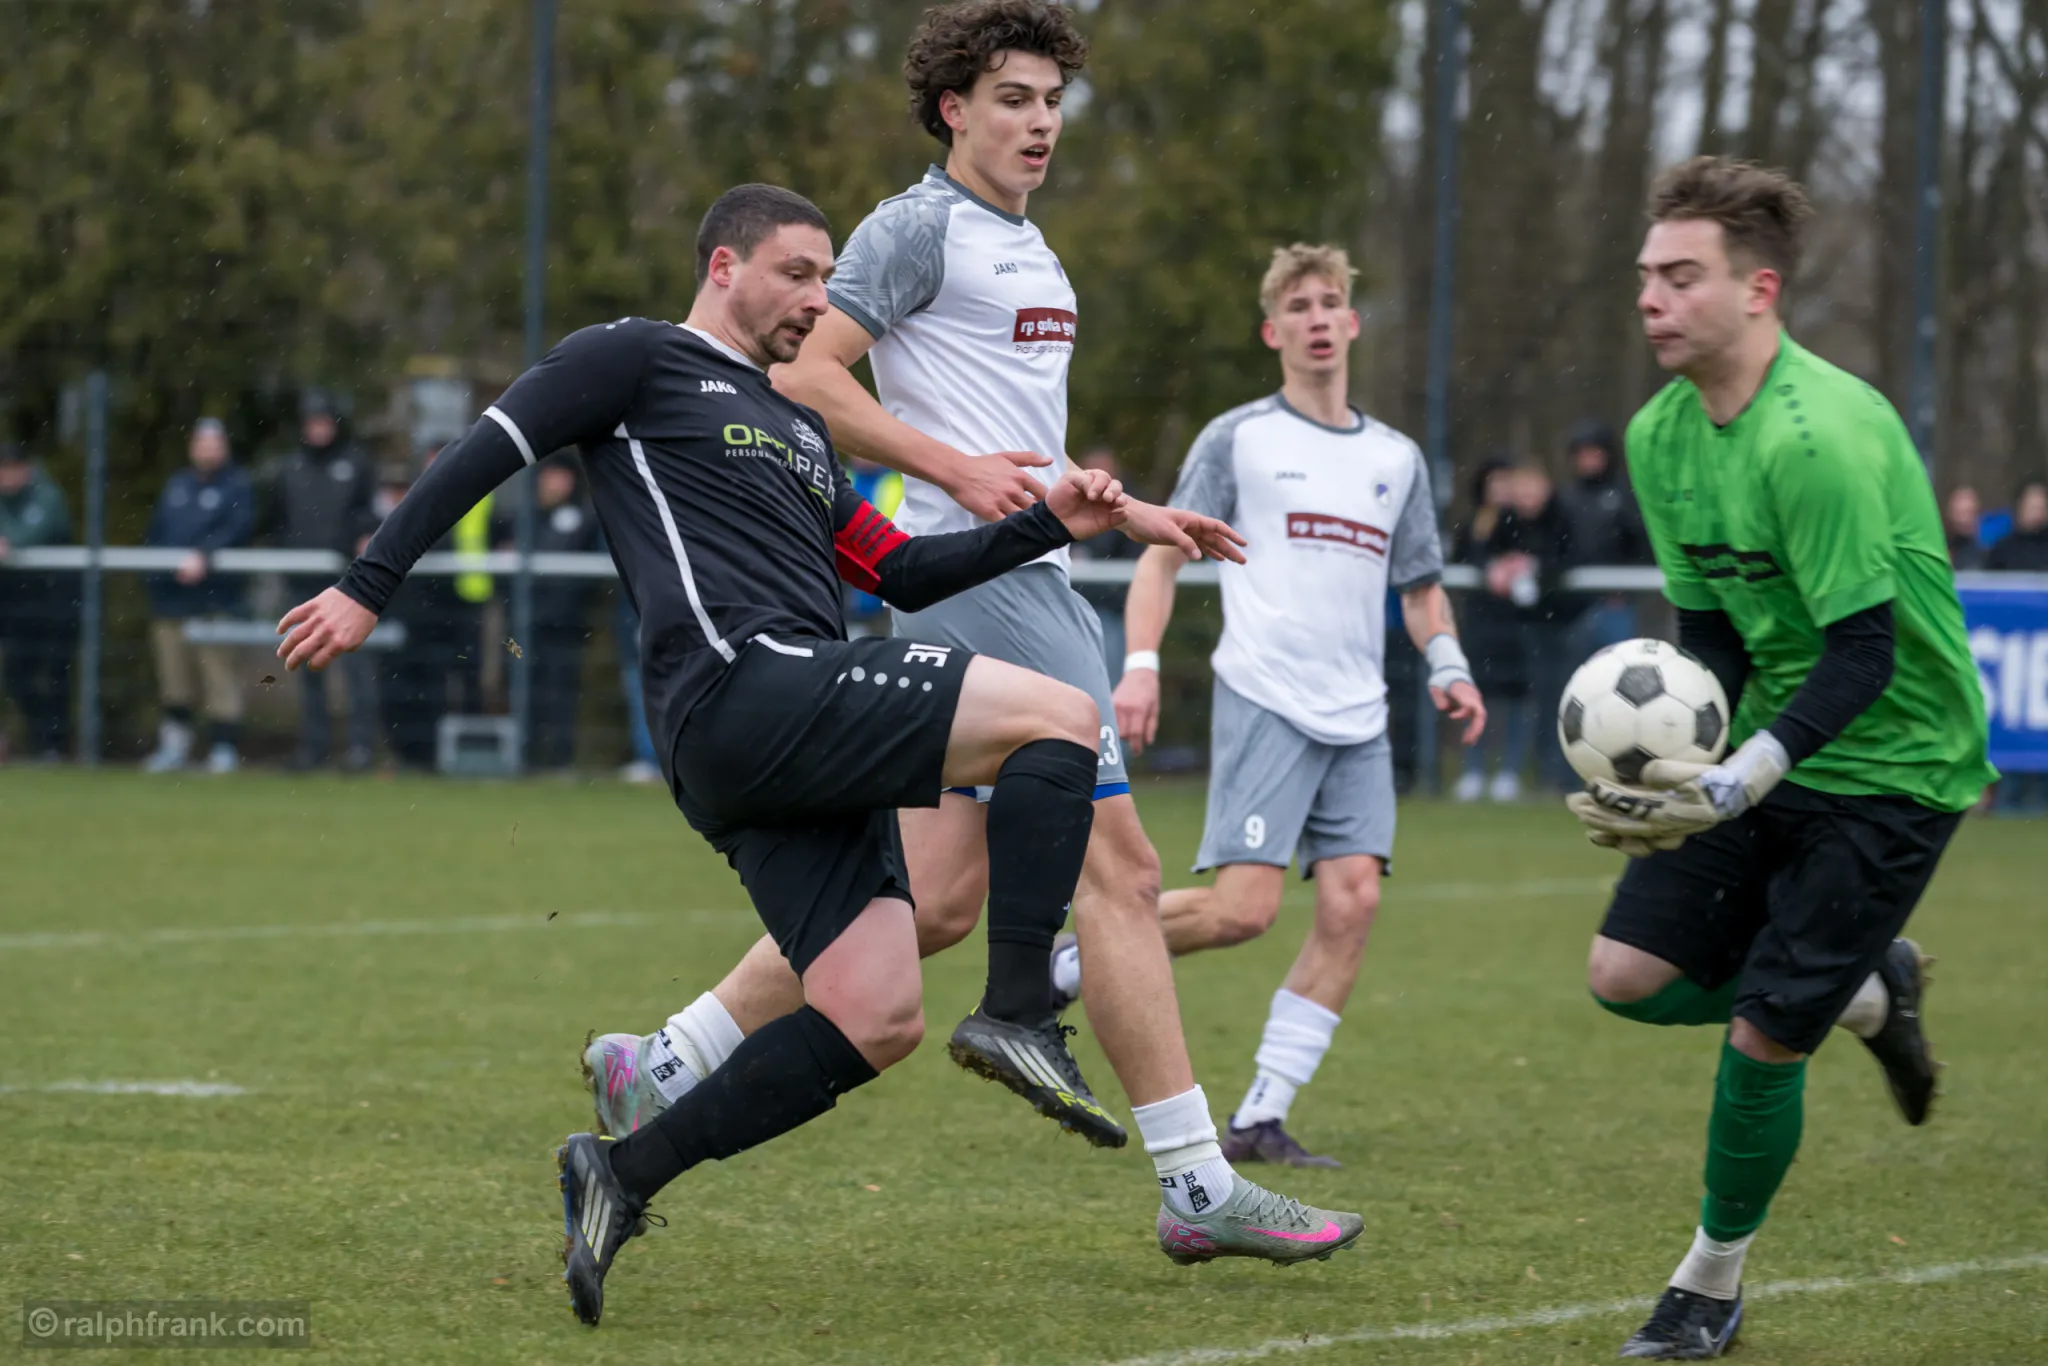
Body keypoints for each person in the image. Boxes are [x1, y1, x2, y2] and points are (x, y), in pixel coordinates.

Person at [277, 184, 1303, 1327]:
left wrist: (1052, 522)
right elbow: (488, 449)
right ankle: (1017, 1005)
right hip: (741, 687)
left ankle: (621, 1170)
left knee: (876, 1013)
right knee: (1057, 713)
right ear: (724, 266)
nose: (818, 300)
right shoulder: (635, 358)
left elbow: (900, 572)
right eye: (797, 274)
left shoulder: (804, 432)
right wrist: (367, 585)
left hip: (779, 733)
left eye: (825, 279)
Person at [578, 0, 1363, 1275]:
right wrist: (950, 472)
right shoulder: (915, 227)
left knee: (935, 899)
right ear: (953, 109)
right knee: (1121, 869)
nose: (1039, 121)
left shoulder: (1031, 250)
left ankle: (664, 1057)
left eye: (1051, 101)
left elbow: (1016, 441)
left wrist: (1130, 512)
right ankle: (1196, 1180)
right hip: (978, 587)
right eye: (1012, 98)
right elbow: (806, 378)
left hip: (1019, 569)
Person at [1569, 156, 1994, 1360]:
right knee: (1622, 974)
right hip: (1768, 739)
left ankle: (1707, 1285)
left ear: (1757, 290)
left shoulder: (1816, 438)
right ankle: (1862, 986)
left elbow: (1862, 653)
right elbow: (1706, 637)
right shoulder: (1658, 435)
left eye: (1680, 276)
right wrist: (1669, 764)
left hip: (1896, 759)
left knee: (1764, 1031)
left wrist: (1742, 772)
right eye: (1645, 275)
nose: (1650, 298)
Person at [1100, 243, 1486, 1166]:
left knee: (1354, 902)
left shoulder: (1396, 458)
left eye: (1330, 304)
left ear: (1351, 323)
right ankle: (1077, 960)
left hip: (1361, 713)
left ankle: (1260, 1118)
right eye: (1299, 307)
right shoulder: (1239, 439)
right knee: (1243, 911)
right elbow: (1160, 558)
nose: (1317, 319)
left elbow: (1421, 589)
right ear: (1273, 332)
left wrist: (1448, 663)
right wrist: (1140, 665)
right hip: (1266, 693)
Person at [264, 389, 380, 771]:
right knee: (307, 667)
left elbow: (370, 514)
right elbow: (275, 520)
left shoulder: (356, 464)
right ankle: (315, 749)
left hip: (348, 587)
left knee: (356, 667)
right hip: (302, 585)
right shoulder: (289, 468)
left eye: (324, 422)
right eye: (312, 422)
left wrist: (359, 538)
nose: (318, 429)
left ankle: (361, 749)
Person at [141, 418, 256, 773]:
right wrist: (164, 570)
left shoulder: (236, 486)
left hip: (216, 601)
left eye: (214, 443)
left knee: (219, 678)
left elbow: (238, 528)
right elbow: (157, 533)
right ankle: (174, 748)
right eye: (201, 442)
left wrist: (203, 555)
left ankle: (223, 749)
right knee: (174, 680)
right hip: (172, 600)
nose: (207, 450)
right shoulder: (178, 485)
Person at [1550, 420, 1652, 785]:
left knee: (1618, 691)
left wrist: (1622, 586)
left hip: (1613, 610)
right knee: (1574, 692)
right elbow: (1554, 548)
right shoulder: (1564, 499)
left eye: (1593, 453)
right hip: (1571, 610)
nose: (1587, 460)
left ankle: (1620, 770)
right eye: (1581, 454)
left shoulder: (1624, 496)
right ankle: (1565, 774)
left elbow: (1642, 547)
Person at [1452, 460, 1535, 801]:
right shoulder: (1473, 524)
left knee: (1516, 698)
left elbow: (1538, 554)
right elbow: (1462, 559)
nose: (1500, 489)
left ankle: (1509, 772)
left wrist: (1516, 566)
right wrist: (1489, 567)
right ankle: (1473, 771)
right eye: (1494, 482)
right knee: (1474, 694)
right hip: (1480, 624)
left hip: (1516, 626)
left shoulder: (1526, 522)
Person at [523, 454, 602, 769]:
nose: (553, 483)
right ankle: (525, 756)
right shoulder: (525, 517)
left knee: (561, 690)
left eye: (560, 476)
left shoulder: (584, 517)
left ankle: (560, 759)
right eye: (549, 476)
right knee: (525, 686)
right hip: (521, 629)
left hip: (565, 626)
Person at [0, 442, 75, 761]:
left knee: (56, 674)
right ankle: (43, 739)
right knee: (17, 675)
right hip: (16, 603)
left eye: (12, 468)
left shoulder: (47, 495)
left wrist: (10, 541)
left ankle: (55, 744)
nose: (7, 476)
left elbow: (35, 532)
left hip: (54, 601)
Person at [1069, 445, 1146, 685]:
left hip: (1108, 613)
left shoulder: (1131, 515)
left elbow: (1138, 567)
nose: (1099, 479)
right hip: (1066, 609)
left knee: (1106, 680)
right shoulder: (1062, 508)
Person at [1942, 485, 1985, 570]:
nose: (1963, 519)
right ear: (1949, 514)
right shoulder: (1942, 549)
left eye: (1968, 512)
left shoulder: (1989, 550)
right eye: (1958, 513)